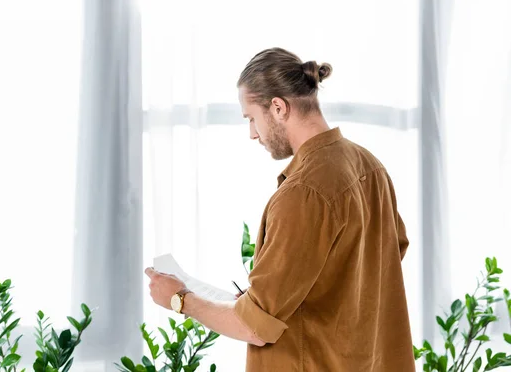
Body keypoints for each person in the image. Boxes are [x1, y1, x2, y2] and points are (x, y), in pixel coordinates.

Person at [145, 47, 415, 371]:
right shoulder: (370, 167)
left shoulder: (303, 191)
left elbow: (255, 327)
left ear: (277, 108)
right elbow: (377, 262)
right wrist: (277, 290)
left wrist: (180, 299)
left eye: (251, 118)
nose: (252, 133)